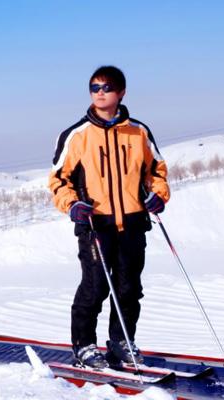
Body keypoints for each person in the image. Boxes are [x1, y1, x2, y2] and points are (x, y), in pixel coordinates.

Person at [48, 66, 169, 369]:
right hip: (95, 224)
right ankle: (84, 345)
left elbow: (156, 172)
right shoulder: (77, 135)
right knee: (96, 286)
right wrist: (72, 204)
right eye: (94, 86)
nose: (100, 91)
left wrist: (158, 194)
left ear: (122, 92)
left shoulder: (138, 132)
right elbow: (58, 180)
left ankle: (121, 341)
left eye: (107, 86)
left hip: (132, 222)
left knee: (129, 288)